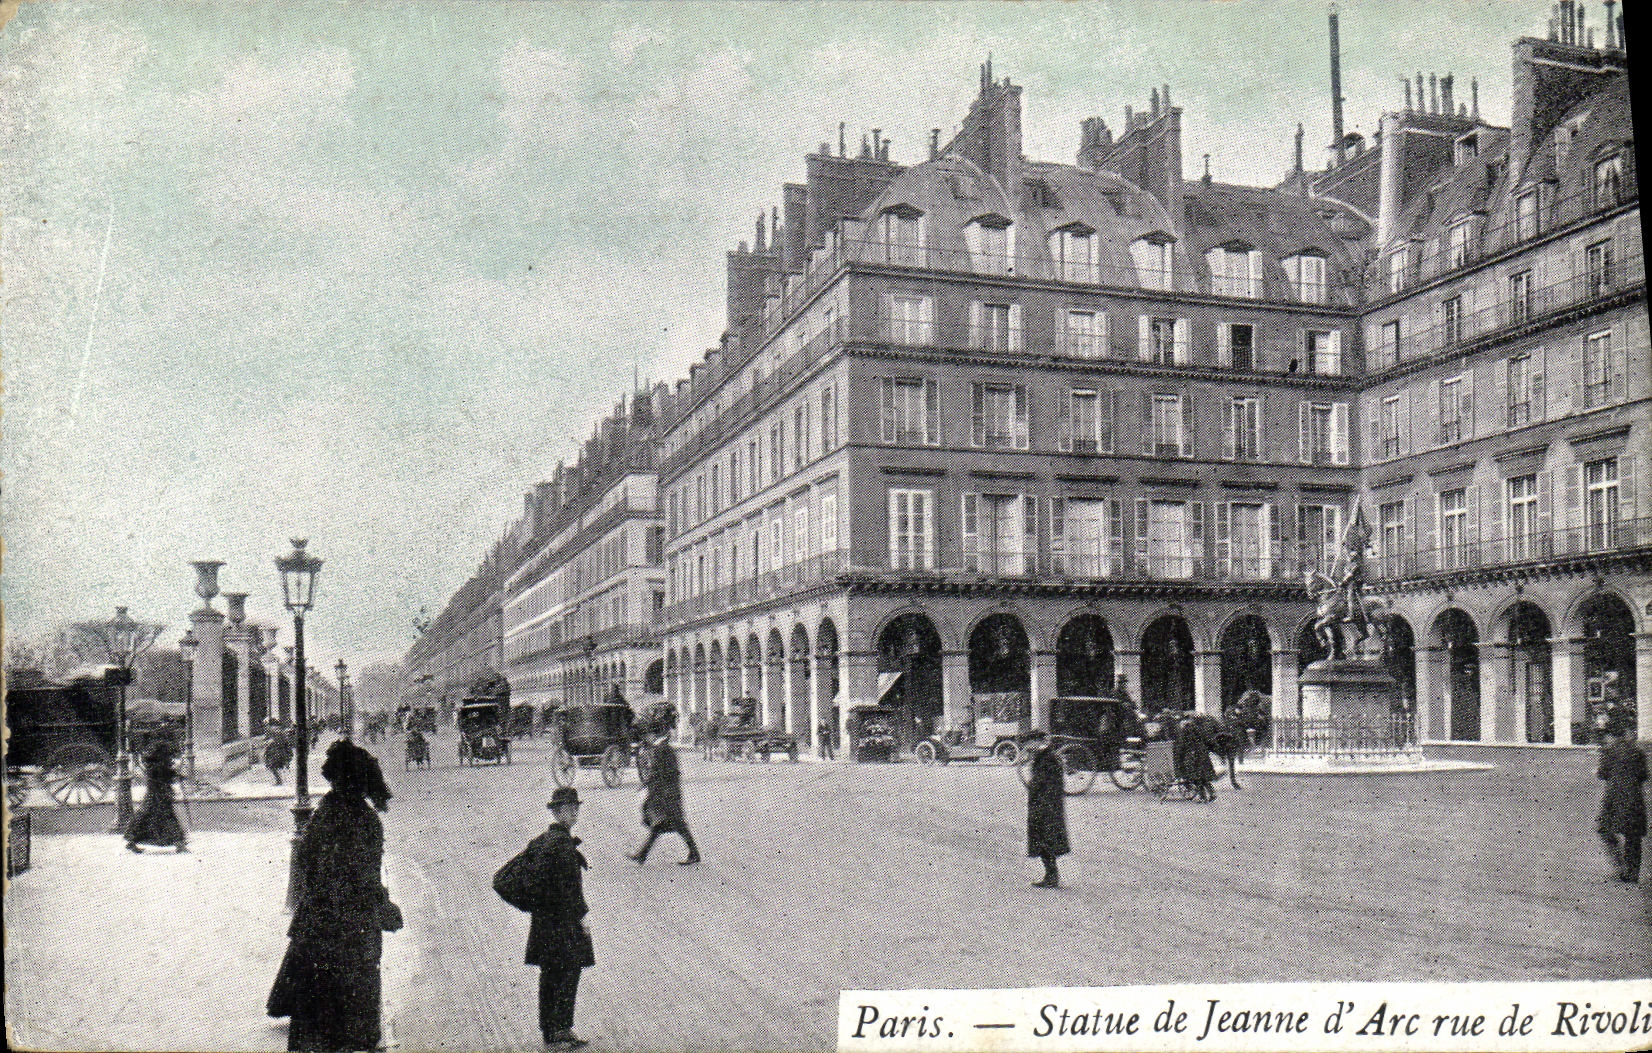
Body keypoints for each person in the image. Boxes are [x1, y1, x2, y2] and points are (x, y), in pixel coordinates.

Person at [267, 741, 401, 1052]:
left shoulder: (325, 811)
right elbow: (365, 876)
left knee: (317, 1004)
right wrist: (382, 904)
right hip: (353, 925)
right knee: (352, 1004)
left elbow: (307, 862)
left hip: (319, 921)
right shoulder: (364, 820)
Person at [521, 786, 595, 1049]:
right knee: (567, 975)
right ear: (556, 812)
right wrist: (582, 916)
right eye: (568, 808)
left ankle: (550, 1031)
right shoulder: (561, 843)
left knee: (551, 975)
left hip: (546, 923)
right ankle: (561, 1030)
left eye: (576, 807)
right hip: (563, 923)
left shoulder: (545, 840)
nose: (574, 811)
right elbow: (570, 889)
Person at [630, 734, 701, 865]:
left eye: (649, 736)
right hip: (669, 792)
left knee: (673, 824)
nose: (648, 739)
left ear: (653, 735)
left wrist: (647, 782)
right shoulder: (665, 748)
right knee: (662, 824)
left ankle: (695, 853)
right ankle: (642, 854)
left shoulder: (661, 749)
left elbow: (660, 772)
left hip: (666, 793)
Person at [1596, 723, 1647, 884]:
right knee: (1633, 836)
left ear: (1611, 735)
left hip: (1614, 798)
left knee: (1604, 829)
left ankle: (1620, 866)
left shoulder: (1609, 751)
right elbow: (1644, 775)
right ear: (1626, 733)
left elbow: (1602, 774)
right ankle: (1632, 873)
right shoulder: (1638, 752)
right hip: (1635, 797)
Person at [1024, 731, 1069, 888]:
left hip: (1046, 806)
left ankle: (1052, 875)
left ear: (1037, 742)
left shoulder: (1047, 758)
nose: (1028, 747)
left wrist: (1034, 788)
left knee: (1045, 839)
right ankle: (1050, 874)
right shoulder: (1044, 756)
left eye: (1030, 743)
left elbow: (1043, 782)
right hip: (1044, 804)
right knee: (1043, 839)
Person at [125, 740, 188, 853]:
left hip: (156, 796)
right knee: (167, 817)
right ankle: (179, 843)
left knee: (145, 817)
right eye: (170, 756)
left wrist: (176, 775)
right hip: (159, 796)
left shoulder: (154, 766)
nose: (171, 759)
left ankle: (131, 840)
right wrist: (176, 775)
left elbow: (166, 774)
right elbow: (165, 776)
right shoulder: (159, 766)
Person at [1174, 714, 1219, 802]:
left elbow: (1183, 744)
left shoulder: (1186, 729)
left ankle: (1203, 797)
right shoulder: (1199, 728)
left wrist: (1178, 755)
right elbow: (1207, 740)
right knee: (1203, 776)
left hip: (1193, 755)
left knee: (1195, 777)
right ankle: (1212, 793)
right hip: (1202, 754)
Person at [264, 722, 293, 786]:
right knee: (273, 766)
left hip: (277, 753)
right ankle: (279, 780)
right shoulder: (276, 734)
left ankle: (279, 781)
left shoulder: (279, 734)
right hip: (276, 753)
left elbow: (285, 744)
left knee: (272, 766)